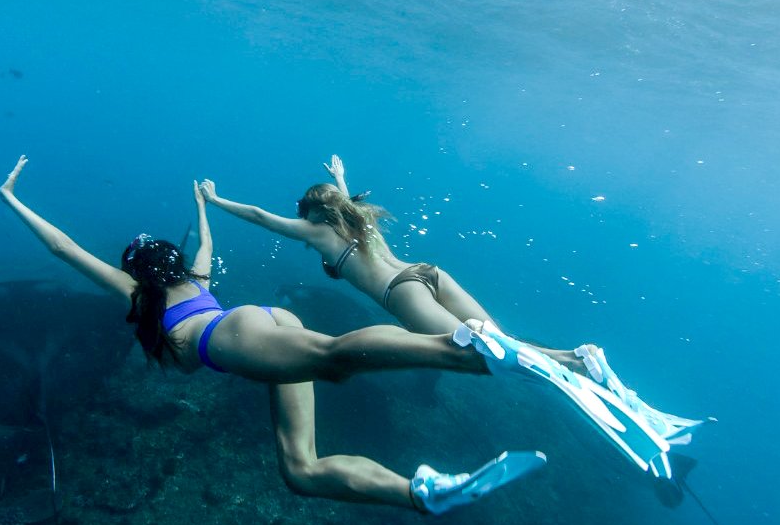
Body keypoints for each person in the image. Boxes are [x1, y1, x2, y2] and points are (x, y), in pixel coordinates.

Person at [0, 155, 546, 515]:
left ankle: (464, 348)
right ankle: (421, 493)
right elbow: (206, 241)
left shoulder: (138, 294)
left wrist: (12, 199)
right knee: (300, 470)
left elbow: (63, 248)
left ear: (135, 269)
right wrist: (200, 204)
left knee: (334, 358)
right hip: (254, 325)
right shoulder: (194, 274)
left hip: (231, 338)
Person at [199, 159, 702, 478]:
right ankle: (575, 359)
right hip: (428, 273)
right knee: (499, 341)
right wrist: (340, 179)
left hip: (403, 293)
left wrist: (215, 200)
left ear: (311, 214)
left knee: (487, 355)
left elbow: (263, 217)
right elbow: (344, 201)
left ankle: (572, 360)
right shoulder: (358, 217)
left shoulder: (317, 233)